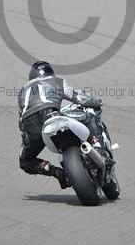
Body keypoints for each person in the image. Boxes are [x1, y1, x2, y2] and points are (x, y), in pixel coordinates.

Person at [17, 60, 105, 189]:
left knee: (25, 161)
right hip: (51, 115)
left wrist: (27, 137)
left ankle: (58, 173)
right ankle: (97, 146)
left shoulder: (22, 91)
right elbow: (78, 98)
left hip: (31, 126)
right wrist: (96, 102)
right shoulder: (57, 81)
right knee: (87, 116)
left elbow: (21, 120)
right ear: (50, 73)